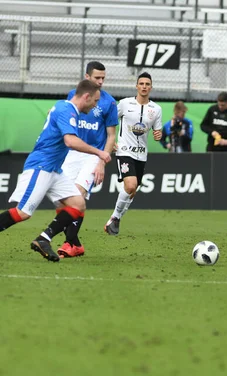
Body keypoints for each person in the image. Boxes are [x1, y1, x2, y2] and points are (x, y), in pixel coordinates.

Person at [0, 80, 111, 262]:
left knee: (78, 204)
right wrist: (99, 152)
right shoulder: (66, 111)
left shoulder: (66, 108)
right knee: (23, 213)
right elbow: (70, 141)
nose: (96, 105)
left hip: (54, 170)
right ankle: (47, 240)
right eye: (95, 101)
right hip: (41, 166)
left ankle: (43, 239)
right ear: (86, 96)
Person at [57, 61, 118, 258]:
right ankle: (75, 244)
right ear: (87, 77)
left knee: (77, 195)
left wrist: (102, 162)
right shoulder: (72, 96)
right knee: (61, 200)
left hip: (93, 155)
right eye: (97, 78)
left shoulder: (109, 103)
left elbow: (111, 136)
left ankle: (68, 243)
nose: (100, 82)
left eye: (103, 78)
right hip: (71, 153)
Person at [104, 72, 163, 235]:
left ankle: (116, 220)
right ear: (137, 86)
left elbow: (157, 132)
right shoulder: (124, 104)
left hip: (142, 155)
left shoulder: (156, 109)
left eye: (147, 84)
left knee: (133, 190)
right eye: (141, 83)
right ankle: (114, 218)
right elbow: (109, 122)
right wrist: (109, 141)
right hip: (124, 151)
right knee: (130, 185)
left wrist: (159, 135)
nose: (144, 86)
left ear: (151, 87)